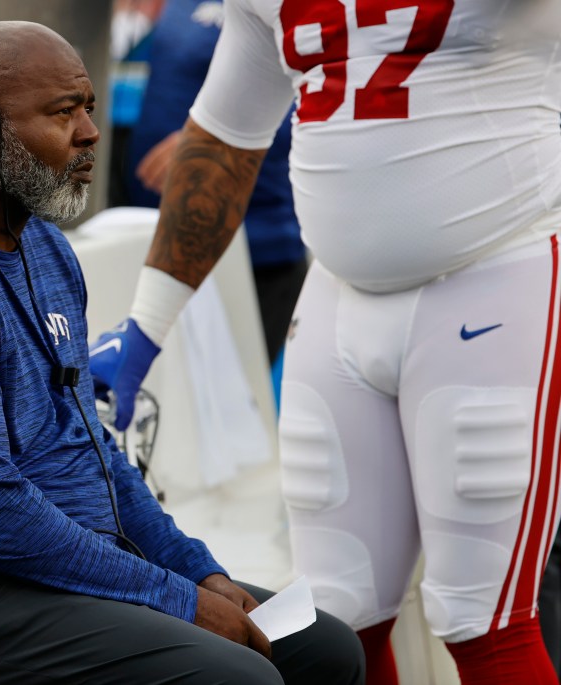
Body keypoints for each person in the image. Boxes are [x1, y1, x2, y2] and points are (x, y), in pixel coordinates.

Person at [0, 16, 364, 685]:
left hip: (30, 576)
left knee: (323, 650)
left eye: (89, 108)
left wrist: (195, 567)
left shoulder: (44, 247)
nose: (91, 132)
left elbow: (92, 452)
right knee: (237, 677)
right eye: (63, 112)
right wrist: (181, 601)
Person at [88, 2, 561, 684]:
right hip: (337, 296)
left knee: (482, 618)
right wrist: (145, 324)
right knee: (335, 618)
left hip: (496, 277)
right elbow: (223, 140)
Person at [124, 0, 306, 369]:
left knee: (232, 408)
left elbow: (319, 97)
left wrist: (204, 144)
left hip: (257, 252)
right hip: (158, 246)